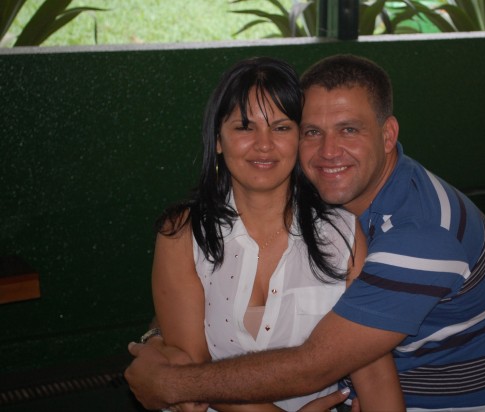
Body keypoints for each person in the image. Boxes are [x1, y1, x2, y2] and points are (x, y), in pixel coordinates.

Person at [126, 54, 485, 411]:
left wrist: (170, 382)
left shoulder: (411, 235)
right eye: (313, 131)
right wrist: (161, 335)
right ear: (218, 139)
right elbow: (194, 317)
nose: (329, 151)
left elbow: (318, 367)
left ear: (388, 135)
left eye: (349, 129)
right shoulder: (189, 232)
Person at [141, 56, 404, 412]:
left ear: (300, 138)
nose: (263, 145)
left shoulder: (342, 234)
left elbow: (373, 373)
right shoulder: (182, 234)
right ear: (218, 139)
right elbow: (194, 380)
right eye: (244, 127)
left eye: (281, 128)